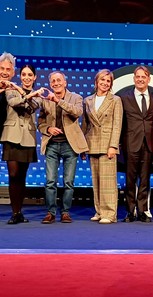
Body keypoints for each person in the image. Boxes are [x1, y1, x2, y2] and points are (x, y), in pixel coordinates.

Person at [38, 71, 88, 224]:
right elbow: (40, 122)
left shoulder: (76, 97)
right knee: (50, 181)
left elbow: (77, 112)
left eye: (59, 80)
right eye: (53, 81)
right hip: (52, 144)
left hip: (70, 144)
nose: (56, 83)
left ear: (65, 83)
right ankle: (50, 212)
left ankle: (65, 212)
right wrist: (48, 129)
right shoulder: (45, 100)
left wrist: (58, 101)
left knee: (68, 182)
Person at [1, 65, 44, 224]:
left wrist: (29, 95)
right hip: (11, 135)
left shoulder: (39, 95)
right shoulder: (10, 90)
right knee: (13, 174)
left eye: (30, 75)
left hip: (28, 137)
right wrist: (26, 94)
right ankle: (14, 212)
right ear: (20, 76)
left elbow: (31, 107)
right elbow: (14, 103)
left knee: (22, 176)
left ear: (34, 77)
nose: (26, 77)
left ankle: (19, 212)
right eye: (24, 74)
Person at [82, 69, 123, 224]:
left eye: (108, 81)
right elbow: (85, 125)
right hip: (92, 142)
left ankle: (110, 214)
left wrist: (113, 145)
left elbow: (117, 124)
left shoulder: (115, 100)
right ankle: (99, 211)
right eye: (103, 80)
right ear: (96, 82)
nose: (105, 83)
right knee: (97, 180)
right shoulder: (88, 100)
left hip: (107, 144)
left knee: (108, 181)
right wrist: (83, 147)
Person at [120, 66, 153, 223]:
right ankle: (130, 211)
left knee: (145, 179)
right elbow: (120, 122)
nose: (140, 79)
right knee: (130, 180)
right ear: (134, 79)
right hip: (130, 143)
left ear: (149, 79)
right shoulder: (124, 98)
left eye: (144, 77)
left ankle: (143, 210)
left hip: (149, 143)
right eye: (138, 77)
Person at [0, 52, 15, 138]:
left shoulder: (14, 92)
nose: (4, 72)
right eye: (2, 68)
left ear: (13, 73)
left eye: (8, 69)